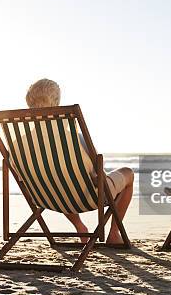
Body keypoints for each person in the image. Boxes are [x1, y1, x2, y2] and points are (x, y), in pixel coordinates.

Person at [23, 79, 134, 245]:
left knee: (58, 184)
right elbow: (98, 174)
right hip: (86, 197)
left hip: (47, 198)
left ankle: (80, 227)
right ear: (57, 102)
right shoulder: (74, 139)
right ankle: (113, 233)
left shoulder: (20, 143)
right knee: (128, 174)